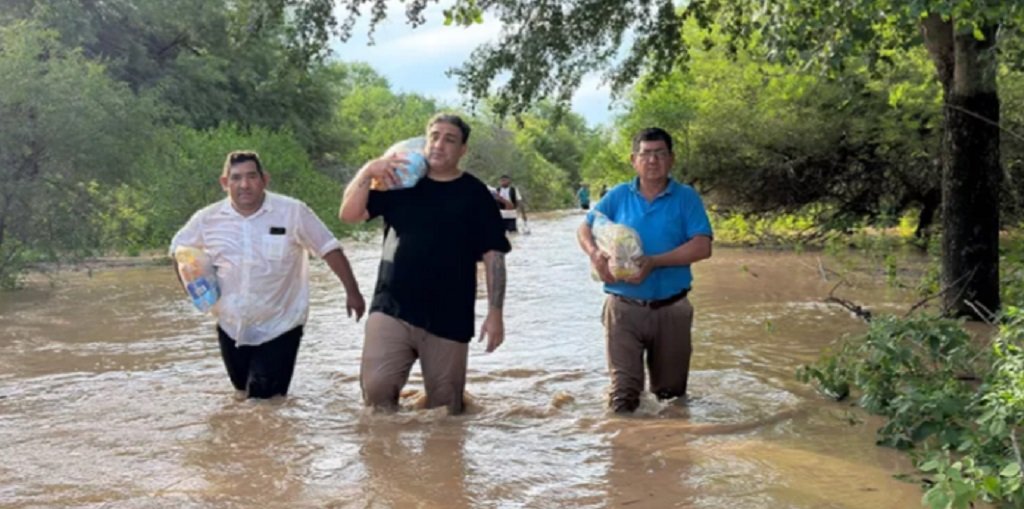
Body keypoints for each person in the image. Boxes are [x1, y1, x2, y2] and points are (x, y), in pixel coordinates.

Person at [338, 113, 512, 415]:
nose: (439, 144)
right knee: (376, 396)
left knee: (445, 410)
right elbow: (349, 214)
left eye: (450, 139)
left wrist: (495, 312)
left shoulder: (475, 195)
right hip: (392, 306)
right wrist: (368, 171)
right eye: (434, 136)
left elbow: (493, 255)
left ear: (462, 150)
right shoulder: (399, 181)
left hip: (450, 314)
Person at [170, 150, 366, 399]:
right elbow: (179, 252)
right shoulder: (207, 219)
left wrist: (353, 292)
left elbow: (329, 248)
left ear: (265, 179)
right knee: (242, 394)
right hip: (231, 325)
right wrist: (193, 292)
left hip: (280, 324)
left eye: (252, 176)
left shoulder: (292, 212)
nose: (244, 185)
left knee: (264, 401)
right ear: (224, 183)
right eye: (236, 178)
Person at [576, 127, 713, 413]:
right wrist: (595, 254)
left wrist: (653, 262)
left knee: (671, 397)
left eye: (660, 154)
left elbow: (702, 246)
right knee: (623, 398)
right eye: (646, 154)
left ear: (671, 159)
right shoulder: (617, 196)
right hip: (623, 309)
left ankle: (670, 452)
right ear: (633, 160)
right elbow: (585, 226)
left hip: (671, 308)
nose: (652, 160)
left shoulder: (685, 198)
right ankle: (626, 453)